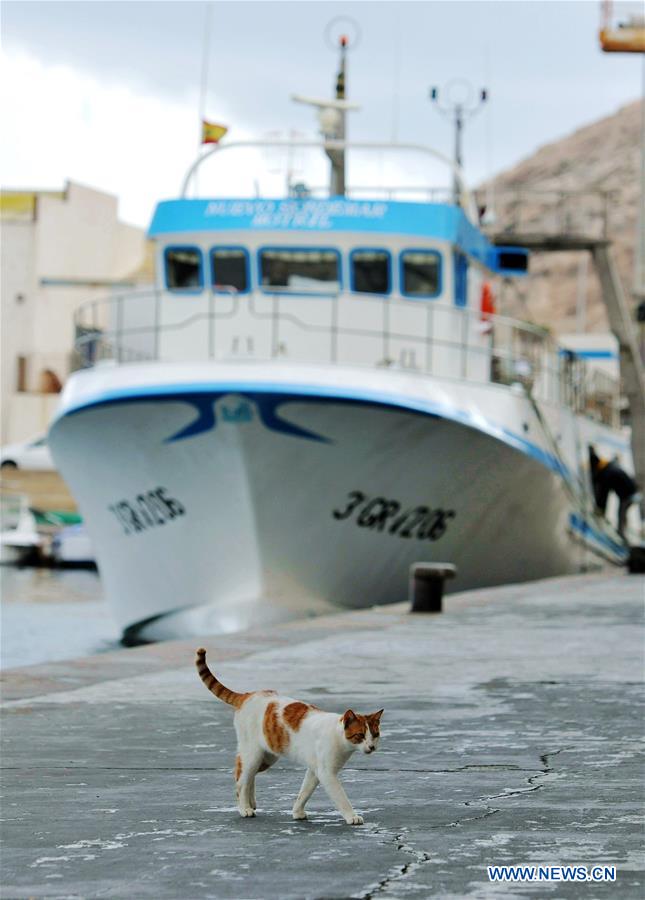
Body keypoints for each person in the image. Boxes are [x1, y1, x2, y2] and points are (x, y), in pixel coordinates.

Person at [589, 446, 640, 537]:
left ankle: (621, 535)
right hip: (632, 491)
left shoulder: (606, 474)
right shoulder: (608, 466)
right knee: (623, 512)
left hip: (628, 494)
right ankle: (623, 530)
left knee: (621, 513)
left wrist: (600, 509)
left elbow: (604, 494)